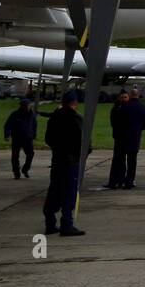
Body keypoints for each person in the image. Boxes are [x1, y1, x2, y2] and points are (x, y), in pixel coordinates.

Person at [42, 89, 85, 237]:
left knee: (54, 190)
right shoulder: (76, 119)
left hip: (58, 159)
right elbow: (83, 141)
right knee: (69, 193)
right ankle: (67, 224)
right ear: (75, 103)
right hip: (71, 161)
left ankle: (50, 222)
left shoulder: (54, 118)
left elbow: (48, 139)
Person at [120, 87, 145, 189]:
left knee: (121, 159)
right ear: (138, 95)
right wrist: (139, 128)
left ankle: (120, 179)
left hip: (124, 135)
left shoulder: (124, 106)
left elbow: (119, 120)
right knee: (132, 160)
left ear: (130, 94)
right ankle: (130, 180)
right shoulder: (143, 107)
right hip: (135, 136)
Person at [3, 97, 37, 179]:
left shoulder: (32, 115)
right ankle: (16, 172)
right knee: (15, 156)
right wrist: (7, 135)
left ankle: (25, 169)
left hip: (28, 138)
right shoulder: (15, 114)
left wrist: (33, 135)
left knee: (30, 154)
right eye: (24, 106)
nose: (26, 107)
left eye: (27, 105)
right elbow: (8, 125)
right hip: (17, 138)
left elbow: (34, 125)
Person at [104, 90, 130, 189]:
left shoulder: (128, 109)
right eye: (122, 97)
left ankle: (122, 180)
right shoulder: (115, 109)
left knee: (124, 159)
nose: (123, 99)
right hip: (119, 137)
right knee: (118, 159)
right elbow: (113, 123)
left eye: (125, 97)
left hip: (126, 137)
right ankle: (115, 180)